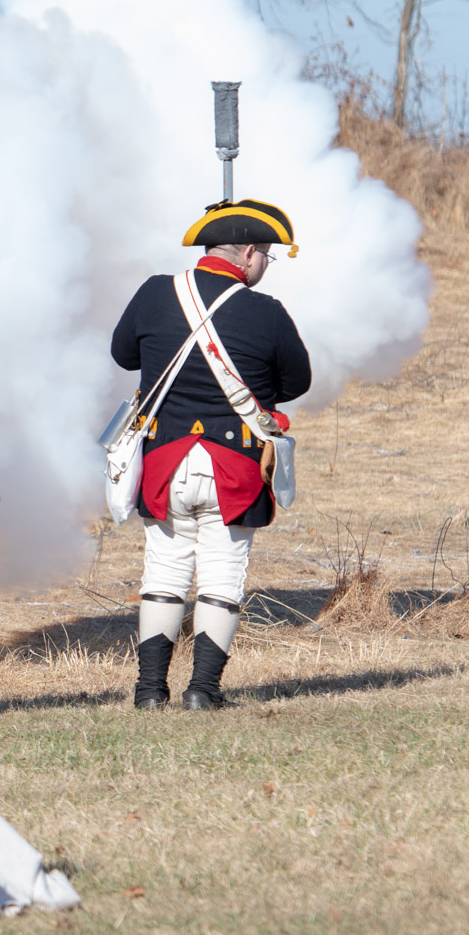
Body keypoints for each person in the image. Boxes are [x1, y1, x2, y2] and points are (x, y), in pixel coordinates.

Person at [110, 200, 311, 710]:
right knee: (223, 574)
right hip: (235, 465)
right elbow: (297, 382)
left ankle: (150, 690)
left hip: (164, 463)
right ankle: (203, 691)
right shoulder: (265, 311)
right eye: (266, 255)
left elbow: (123, 353)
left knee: (164, 570)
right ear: (247, 254)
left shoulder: (155, 293)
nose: (265, 266)